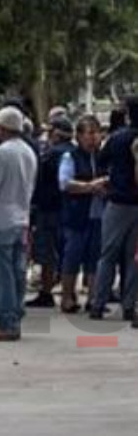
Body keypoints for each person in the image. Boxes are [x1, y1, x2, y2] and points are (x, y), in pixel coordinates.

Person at [0, 106, 38, 342]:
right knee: (16, 272)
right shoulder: (28, 152)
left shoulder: (1, 153)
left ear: (2, 128)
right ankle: (15, 316)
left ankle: (5, 322)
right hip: (20, 218)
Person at [88, 96, 138, 322]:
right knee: (133, 257)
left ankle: (98, 304)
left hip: (118, 202)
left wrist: (108, 182)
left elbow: (100, 161)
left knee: (107, 254)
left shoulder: (118, 138)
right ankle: (129, 305)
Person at [59, 114, 108, 314]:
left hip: (99, 215)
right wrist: (89, 186)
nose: (93, 137)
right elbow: (65, 183)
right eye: (89, 133)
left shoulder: (103, 157)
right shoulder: (70, 156)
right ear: (78, 136)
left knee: (95, 257)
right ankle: (67, 297)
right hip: (77, 215)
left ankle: (93, 298)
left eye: (97, 133)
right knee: (72, 257)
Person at [27, 114, 75, 309]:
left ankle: (46, 292)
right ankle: (68, 292)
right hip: (70, 209)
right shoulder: (75, 152)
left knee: (47, 252)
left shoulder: (51, 154)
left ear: (56, 133)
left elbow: (40, 181)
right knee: (67, 251)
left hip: (49, 209)